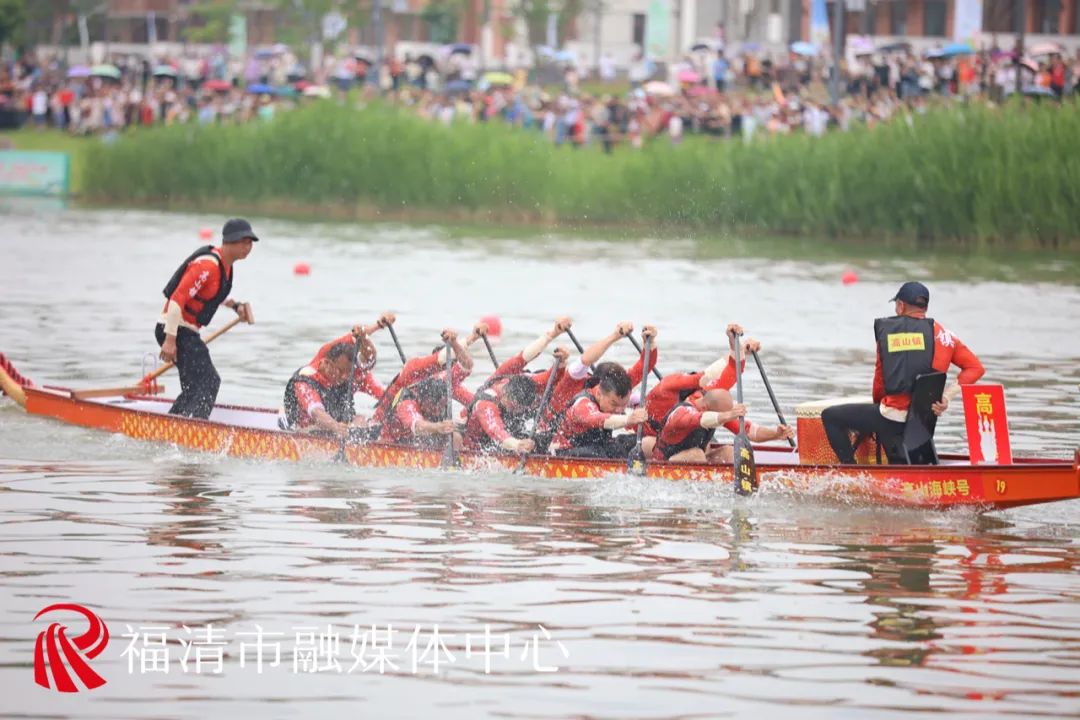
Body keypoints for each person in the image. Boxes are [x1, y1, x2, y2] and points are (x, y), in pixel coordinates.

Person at [822, 281, 985, 464]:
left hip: (892, 416)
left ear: (900, 306)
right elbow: (976, 368)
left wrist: (878, 407)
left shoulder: (891, 333)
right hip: (923, 420)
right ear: (926, 307)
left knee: (831, 417)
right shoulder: (945, 335)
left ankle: (851, 473)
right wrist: (946, 397)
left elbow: (880, 382)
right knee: (897, 457)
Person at [156, 218, 257, 418]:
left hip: (184, 331)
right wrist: (170, 340)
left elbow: (210, 294)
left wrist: (235, 306)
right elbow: (177, 299)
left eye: (251, 243)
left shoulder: (224, 266)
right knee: (209, 381)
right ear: (230, 241)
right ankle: (194, 429)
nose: (249, 247)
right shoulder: (207, 265)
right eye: (244, 242)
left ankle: (173, 425)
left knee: (194, 387)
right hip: (176, 329)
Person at [463, 317, 573, 455]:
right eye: (513, 407)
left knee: (542, 438)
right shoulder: (486, 403)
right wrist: (517, 444)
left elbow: (552, 375)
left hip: (510, 434)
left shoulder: (528, 383)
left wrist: (561, 358)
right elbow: (496, 432)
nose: (516, 411)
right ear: (505, 396)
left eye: (519, 409)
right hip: (481, 444)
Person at [279, 313, 396, 435]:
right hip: (305, 427)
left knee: (363, 421)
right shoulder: (305, 382)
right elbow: (317, 413)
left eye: (348, 372)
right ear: (327, 364)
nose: (345, 377)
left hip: (336, 424)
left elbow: (368, 355)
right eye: (340, 371)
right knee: (319, 428)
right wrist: (336, 427)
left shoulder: (353, 374)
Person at [654, 388, 793, 464]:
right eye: (722, 415)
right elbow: (700, 419)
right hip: (665, 462)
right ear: (707, 407)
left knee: (729, 451)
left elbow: (750, 431)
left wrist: (776, 434)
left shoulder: (716, 411)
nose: (724, 419)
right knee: (697, 454)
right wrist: (727, 415)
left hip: (696, 461)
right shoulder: (681, 413)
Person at [547, 364, 647, 458]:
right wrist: (628, 419)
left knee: (639, 441)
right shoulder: (583, 404)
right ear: (599, 394)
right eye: (614, 404)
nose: (619, 410)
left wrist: (651, 348)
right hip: (564, 452)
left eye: (624, 405)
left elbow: (643, 367)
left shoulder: (613, 398)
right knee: (599, 452)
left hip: (595, 448)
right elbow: (596, 418)